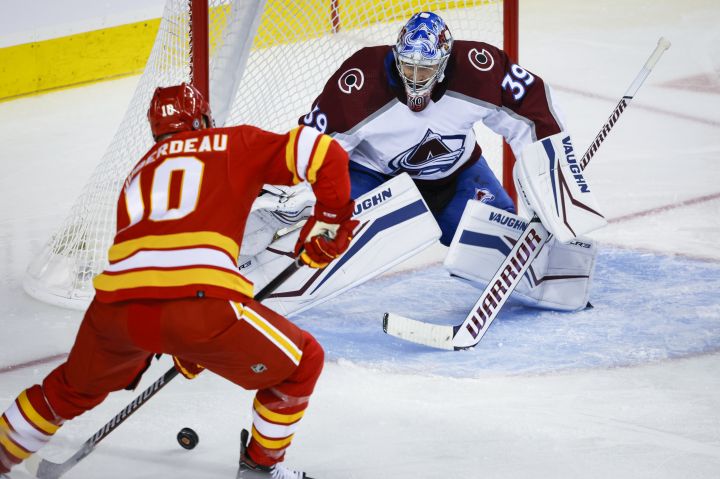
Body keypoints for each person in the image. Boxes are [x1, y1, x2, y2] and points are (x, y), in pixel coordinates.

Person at [0, 83, 358, 478]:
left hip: (115, 310)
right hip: (199, 305)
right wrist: (330, 221)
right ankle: (260, 469)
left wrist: (183, 343)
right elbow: (325, 153)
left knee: (67, 389)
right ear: (204, 120)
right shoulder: (229, 142)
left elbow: (154, 273)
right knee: (302, 362)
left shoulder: (138, 173)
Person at [292, 10, 598, 312]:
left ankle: (555, 282)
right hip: (375, 176)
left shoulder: (478, 69)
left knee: (505, 250)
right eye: (407, 67)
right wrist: (303, 201)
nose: (413, 79)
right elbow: (315, 145)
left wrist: (547, 190)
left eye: (424, 70)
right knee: (327, 232)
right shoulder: (361, 80)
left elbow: (534, 112)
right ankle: (286, 266)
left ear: (443, 64)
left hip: (457, 175)